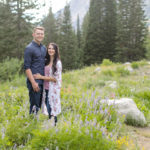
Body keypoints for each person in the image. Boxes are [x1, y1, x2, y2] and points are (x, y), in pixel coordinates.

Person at [33, 43, 62, 125]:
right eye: (49, 48)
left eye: (53, 49)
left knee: (52, 108)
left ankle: (54, 125)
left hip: (53, 89)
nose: (51, 50)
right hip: (45, 89)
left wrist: (41, 77)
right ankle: (51, 125)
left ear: (56, 51)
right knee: (48, 107)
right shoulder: (46, 61)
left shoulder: (58, 63)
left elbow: (55, 78)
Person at [24, 26, 46, 114]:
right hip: (34, 82)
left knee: (40, 106)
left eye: (42, 34)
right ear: (33, 34)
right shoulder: (29, 48)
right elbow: (27, 67)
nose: (40, 35)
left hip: (42, 81)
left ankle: (36, 125)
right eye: (38, 34)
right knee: (34, 107)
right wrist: (33, 83)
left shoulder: (44, 48)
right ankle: (31, 125)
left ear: (44, 35)